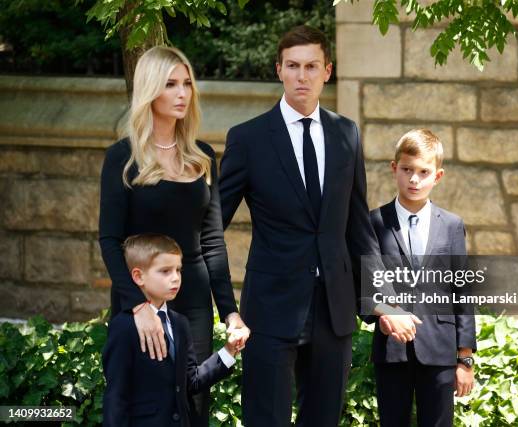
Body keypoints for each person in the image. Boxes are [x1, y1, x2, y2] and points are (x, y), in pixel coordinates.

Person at [219, 25, 417, 427]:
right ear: (279, 70)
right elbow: (211, 228)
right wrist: (224, 307)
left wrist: (383, 298)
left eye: (311, 66)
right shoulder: (248, 139)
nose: (302, 76)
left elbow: (358, 227)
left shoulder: (347, 134)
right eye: (293, 66)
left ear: (327, 71)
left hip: (334, 310)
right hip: (271, 309)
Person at [98, 46, 249, 426]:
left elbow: (212, 241)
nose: (183, 93)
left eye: (187, 84)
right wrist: (138, 305)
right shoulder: (123, 158)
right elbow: (110, 239)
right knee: (145, 402)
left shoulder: (202, 156)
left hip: (193, 298)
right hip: (141, 298)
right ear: (150, 90)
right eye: (170, 85)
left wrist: (228, 310)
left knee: (193, 402)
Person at [369, 129, 477, 427]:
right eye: (406, 170)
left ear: (437, 176)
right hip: (392, 350)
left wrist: (465, 358)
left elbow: (462, 292)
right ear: (395, 169)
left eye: (423, 172)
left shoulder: (452, 226)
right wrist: (386, 312)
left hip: (440, 349)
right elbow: (364, 286)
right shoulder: (374, 222)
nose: (414, 179)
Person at [103, 233, 243, 427]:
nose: (176, 278)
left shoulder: (180, 324)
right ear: (138, 276)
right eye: (165, 271)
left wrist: (228, 352)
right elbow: (116, 396)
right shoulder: (124, 326)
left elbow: (191, 381)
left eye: (178, 270)